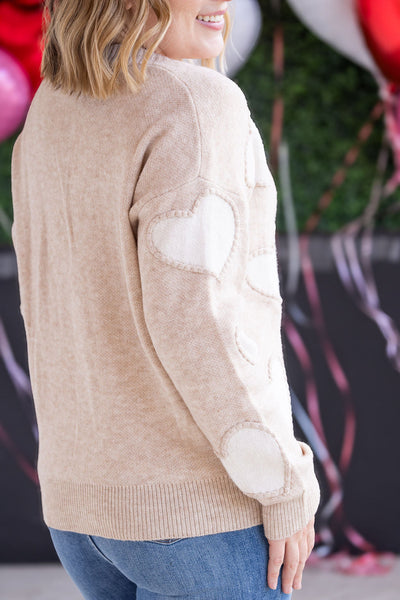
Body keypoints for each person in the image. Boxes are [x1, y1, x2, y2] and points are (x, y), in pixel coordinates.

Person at [10, 0, 321, 598]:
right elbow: (200, 325)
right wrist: (286, 486)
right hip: (195, 514)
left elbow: (44, 305)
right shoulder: (195, 104)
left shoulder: (51, 106)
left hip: (81, 513)